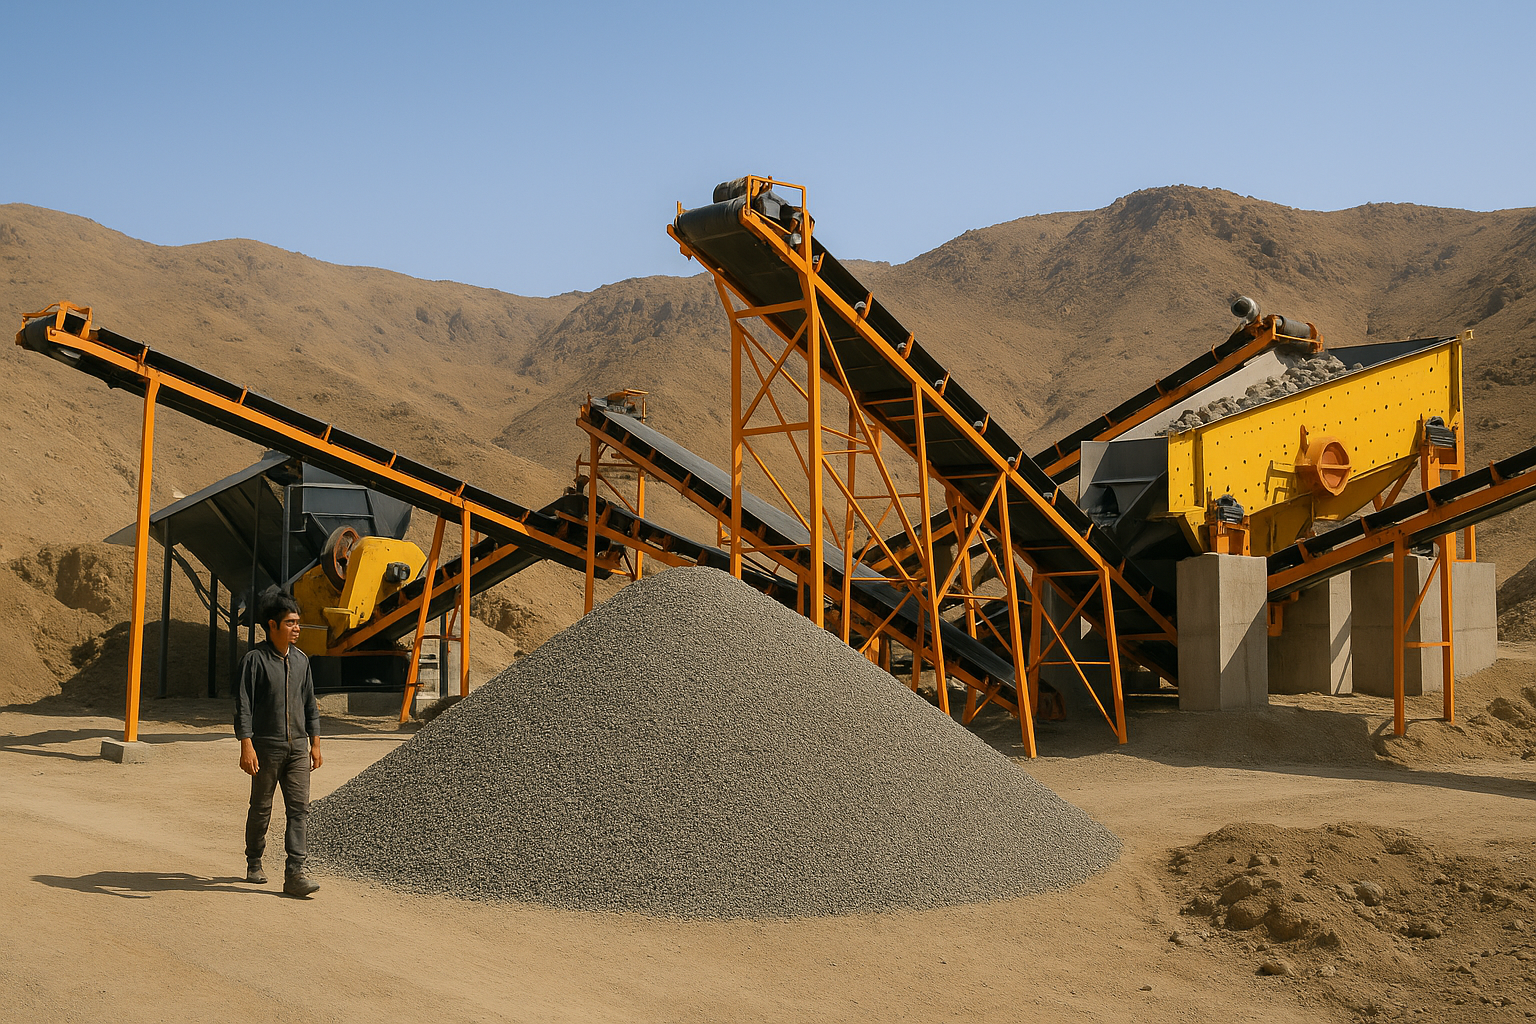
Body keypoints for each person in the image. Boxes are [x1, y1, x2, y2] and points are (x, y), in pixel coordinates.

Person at [233, 588, 323, 897]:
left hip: (297, 747)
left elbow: (310, 702)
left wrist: (315, 742)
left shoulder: (301, 661)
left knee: (299, 810)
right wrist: (246, 745)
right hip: (266, 747)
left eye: (298, 622)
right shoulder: (254, 661)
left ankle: (294, 873)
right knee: (261, 808)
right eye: (290, 623)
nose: (297, 628)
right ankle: (254, 861)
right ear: (272, 626)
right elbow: (243, 705)